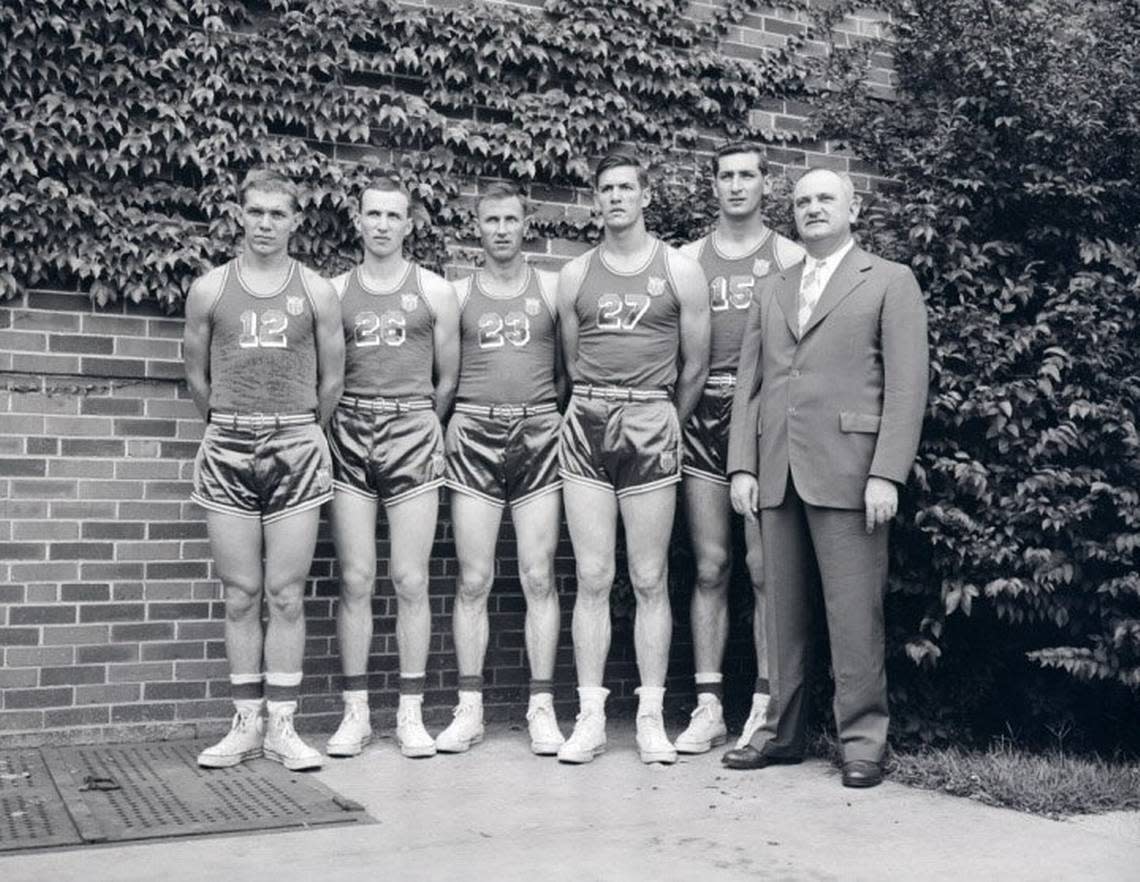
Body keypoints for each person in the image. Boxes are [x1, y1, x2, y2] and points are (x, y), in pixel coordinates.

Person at [722, 168, 928, 788]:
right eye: (803, 201)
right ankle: (780, 734)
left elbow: (907, 386)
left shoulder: (890, 280)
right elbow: (750, 384)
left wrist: (886, 473)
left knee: (853, 613)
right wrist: (741, 464)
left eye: (825, 199)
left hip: (852, 472)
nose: (813, 208)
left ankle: (863, 742)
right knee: (779, 613)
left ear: (852, 207)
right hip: (778, 470)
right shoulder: (773, 287)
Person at [185, 168, 345, 771]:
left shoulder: (317, 291)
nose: (266, 223)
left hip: (297, 442)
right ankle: (245, 723)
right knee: (240, 592)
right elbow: (197, 378)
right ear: (240, 215)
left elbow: (332, 380)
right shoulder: (209, 290)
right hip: (227, 443)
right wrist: (229, 421)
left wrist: (300, 427)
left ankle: (282, 725)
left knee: (284, 593)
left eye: (278, 213)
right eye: (256, 212)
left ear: (295, 220)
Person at [555, 152, 710, 765]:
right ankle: (590, 717)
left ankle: (650, 717)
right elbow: (570, 363)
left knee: (648, 577)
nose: (616, 197)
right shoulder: (573, 275)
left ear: (645, 195)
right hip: (589, 418)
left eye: (627, 187)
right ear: (595, 200)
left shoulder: (679, 270)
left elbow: (695, 363)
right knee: (593, 576)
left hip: (651, 416)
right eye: (606, 189)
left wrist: (671, 416)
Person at [674, 143, 804, 754]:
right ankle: (708, 706)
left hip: (760, 421)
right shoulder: (686, 261)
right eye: (724, 176)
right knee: (709, 566)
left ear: (764, 186)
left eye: (746, 176)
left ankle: (765, 703)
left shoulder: (789, 257)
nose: (734, 186)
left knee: (762, 569)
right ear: (714, 186)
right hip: (702, 413)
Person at [324, 174, 459, 759]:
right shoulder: (331, 292)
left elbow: (447, 377)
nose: (381, 225)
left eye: (392, 216)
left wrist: (423, 423)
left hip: (410, 426)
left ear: (409, 224)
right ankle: (356, 713)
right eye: (372, 214)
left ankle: (409, 712)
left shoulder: (434, 291)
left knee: (410, 579)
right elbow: (325, 374)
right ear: (358, 220)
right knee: (355, 578)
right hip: (349, 427)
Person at [435, 183, 566, 756]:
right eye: (492, 220)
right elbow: (446, 372)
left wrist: (543, 415)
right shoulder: (455, 295)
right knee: (473, 578)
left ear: (525, 225)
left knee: (538, 574)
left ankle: (541, 706)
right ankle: (470, 709)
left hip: (537, 428)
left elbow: (566, 371)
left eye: (512, 219)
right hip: (474, 430)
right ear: (478, 227)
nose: (502, 229)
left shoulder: (554, 289)